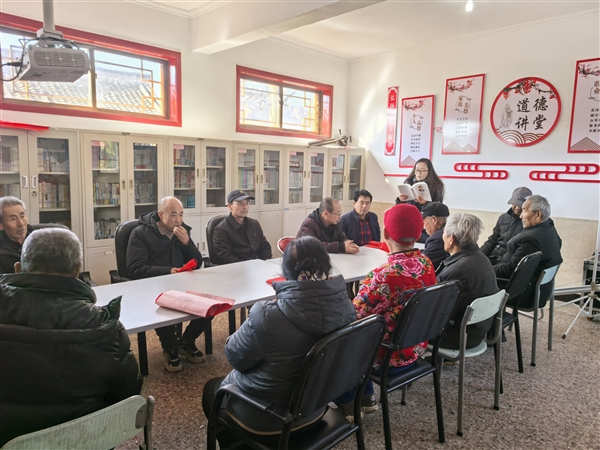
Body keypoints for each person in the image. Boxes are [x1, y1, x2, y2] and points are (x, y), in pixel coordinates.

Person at [202, 236, 355, 444]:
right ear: (327, 267)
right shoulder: (347, 306)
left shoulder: (267, 315)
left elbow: (236, 358)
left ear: (285, 273)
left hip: (269, 419)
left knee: (212, 391)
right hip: (316, 409)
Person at [0, 228, 142, 446]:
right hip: (86, 439)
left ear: (18, 268)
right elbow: (126, 396)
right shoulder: (107, 327)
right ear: (78, 270)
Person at [339, 204, 436, 417]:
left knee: (339, 338)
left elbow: (351, 318)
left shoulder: (384, 275)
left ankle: (349, 404)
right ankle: (366, 397)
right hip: (417, 347)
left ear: (385, 233)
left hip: (388, 357)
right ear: (418, 232)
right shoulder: (426, 263)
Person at [127, 196, 210, 373]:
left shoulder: (182, 230)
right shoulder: (141, 233)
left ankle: (186, 342)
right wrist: (168, 271)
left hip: (181, 283)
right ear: (160, 214)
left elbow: (197, 262)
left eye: (181, 214)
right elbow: (134, 269)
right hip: (153, 286)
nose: (178, 219)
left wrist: (187, 243)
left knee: (210, 304)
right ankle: (170, 348)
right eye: (173, 215)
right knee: (164, 309)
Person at [437, 213, 499, 349]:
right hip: (478, 330)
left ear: (451, 239)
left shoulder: (455, 271)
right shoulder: (482, 258)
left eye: (444, 232)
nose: (442, 236)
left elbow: (435, 310)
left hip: (456, 337)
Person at [493, 195, 563, 309]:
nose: (520, 215)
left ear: (538, 214)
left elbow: (510, 269)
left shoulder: (530, 238)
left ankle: (486, 320)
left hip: (522, 294)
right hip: (541, 291)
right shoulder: (549, 228)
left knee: (474, 282)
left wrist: (486, 271)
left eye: (524, 210)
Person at [213, 190, 272, 264]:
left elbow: (265, 247)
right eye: (240, 204)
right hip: (237, 267)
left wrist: (265, 263)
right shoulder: (221, 229)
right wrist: (245, 266)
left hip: (259, 265)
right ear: (230, 206)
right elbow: (225, 256)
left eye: (247, 203)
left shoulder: (254, 224)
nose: (245, 207)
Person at [481, 186, 532, 265]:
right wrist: (479, 255)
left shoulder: (530, 222)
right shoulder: (503, 218)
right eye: (515, 204)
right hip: (494, 256)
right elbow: (493, 240)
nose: (517, 207)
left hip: (509, 261)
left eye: (521, 205)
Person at [0, 196, 42, 273]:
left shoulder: (42, 239)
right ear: (1, 225)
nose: (21, 223)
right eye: (13, 219)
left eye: (22, 216)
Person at [421, 202, 450, 270]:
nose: (424, 227)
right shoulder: (449, 231)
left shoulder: (437, 239)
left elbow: (421, 264)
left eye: (424, 222)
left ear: (434, 219)